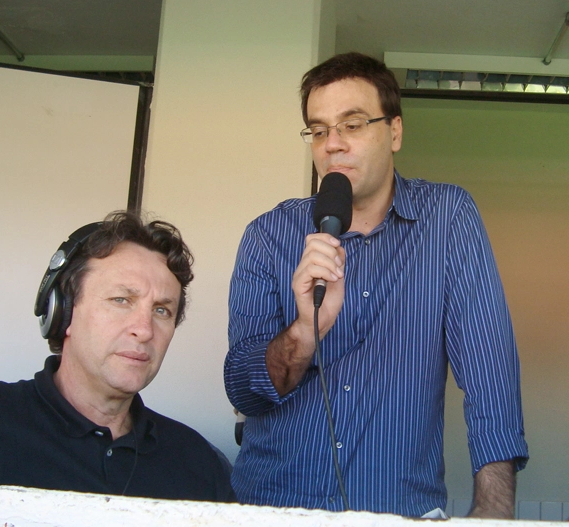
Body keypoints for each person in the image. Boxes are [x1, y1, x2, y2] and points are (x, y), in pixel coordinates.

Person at [224, 52, 528, 518]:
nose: (333, 144)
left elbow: (490, 371)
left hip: (400, 509)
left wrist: (494, 509)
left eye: (353, 124)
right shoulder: (269, 235)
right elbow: (244, 390)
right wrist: (305, 331)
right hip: (272, 506)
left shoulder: (447, 217)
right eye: (319, 129)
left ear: (395, 132)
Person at [0, 211, 235, 502]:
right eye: (121, 300)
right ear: (63, 311)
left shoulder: (199, 463)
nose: (144, 330)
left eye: (162, 310)